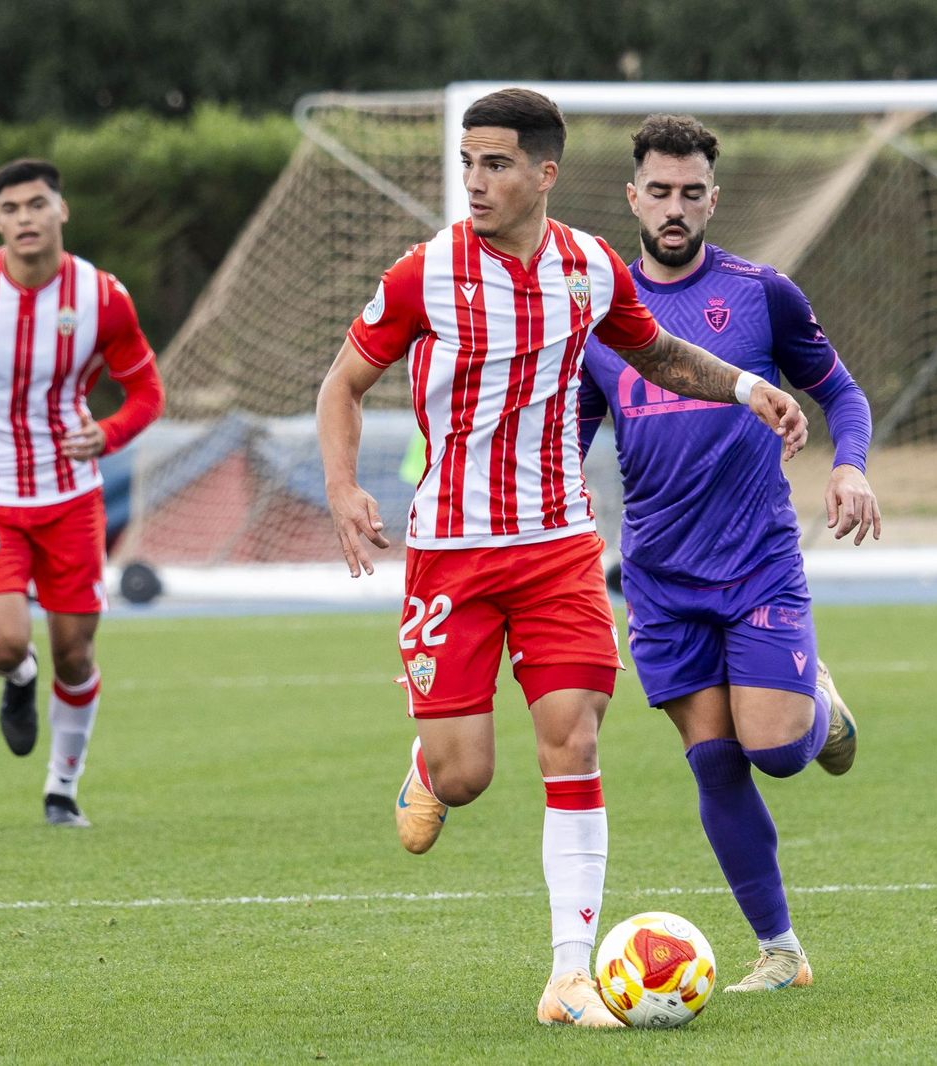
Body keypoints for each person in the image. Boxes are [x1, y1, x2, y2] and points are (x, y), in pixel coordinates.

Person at [316, 89, 809, 1027]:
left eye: (496, 164)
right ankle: (430, 766)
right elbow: (342, 383)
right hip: (452, 555)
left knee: (574, 741)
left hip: (558, 548)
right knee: (467, 776)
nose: (476, 181)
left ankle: (568, 975)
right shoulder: (425, 273)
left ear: (545, 173)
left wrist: (747, 386)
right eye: (469, 162)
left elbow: (656, 352)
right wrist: (343, 488)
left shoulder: (586, 266)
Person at [578, 114, 882, 992]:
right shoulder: (601, 318)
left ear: (715, 198)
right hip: (660, 578)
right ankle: (781, 953)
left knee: (778, 750)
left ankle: (821, 706)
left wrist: (852, 467)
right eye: (660, 192)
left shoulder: (762, 294)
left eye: (692, 193)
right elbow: (566, 440)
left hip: (756, 563)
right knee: (713, 760)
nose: (675, 208)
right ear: (634, 196)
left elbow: (842, 392)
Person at [0, 158, 165, 828]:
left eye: (37, 204)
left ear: (61, 212)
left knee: (75, 652)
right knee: (4, 642)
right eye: (12, 209)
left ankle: (61, 790)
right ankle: (17, 682)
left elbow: (147, 393)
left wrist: (105, 435)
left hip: (69, 496)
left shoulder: (103, 297)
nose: (25, 218)